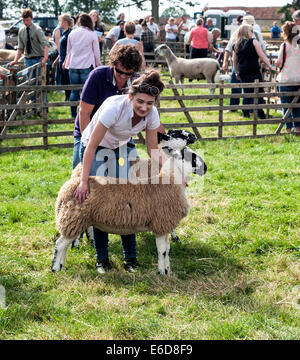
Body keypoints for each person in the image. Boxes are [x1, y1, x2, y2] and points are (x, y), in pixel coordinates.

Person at [74, 69, 167, 274]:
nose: (145, 107)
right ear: (130, 96)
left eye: (150, 103)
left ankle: (131, 258)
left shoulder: (151, 114)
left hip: (120, 147)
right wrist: (83, 181)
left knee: (127, 201)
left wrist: (173, 171)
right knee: (100, 201)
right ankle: (102, 259)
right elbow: (90, 146)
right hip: (95, 147)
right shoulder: (114, 108)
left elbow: (153, 148)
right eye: (140, 101)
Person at [232, 24, 274, 119]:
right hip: (253, 69)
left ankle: (245, 113)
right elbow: (262, 55)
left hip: (243, 70)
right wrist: (270, 66)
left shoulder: (236, 44)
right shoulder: (254, 41)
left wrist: (236, 72)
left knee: (247, 92)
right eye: (251, 31)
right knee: (259, 92)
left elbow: (234, 60)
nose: (252, 33)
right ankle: (260, 113)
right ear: (247, 32)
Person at [64, 13, 101, 118]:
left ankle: (73, 114)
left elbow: (69, 51)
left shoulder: (72, 33)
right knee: (87, 91)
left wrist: (66, 63)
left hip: (73, 65)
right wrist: (98, 64)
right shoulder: (92, 34)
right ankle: (86, 114)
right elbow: (96, 52)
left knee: (74, 91)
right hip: (86, 65)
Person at [275, 21, 300, 133]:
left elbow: (279, 62)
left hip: (285, 79)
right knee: (297, 106)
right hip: (298, 79)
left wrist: (275, 63)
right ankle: (298, 128)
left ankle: (288, 130)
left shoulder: (284, 46)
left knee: (286, 105)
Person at [52, 14, 73, 101]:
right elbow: (62, 50)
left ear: (64, 22)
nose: (59, 23)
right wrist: (57, 60)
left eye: (60, 21)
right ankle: (67, 97)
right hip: (62, 60)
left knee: (68, 81)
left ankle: (68, 98)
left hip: (66, 61)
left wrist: (65, 61)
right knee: (64, 80)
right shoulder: (64, 33)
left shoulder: (69, 34)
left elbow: (69, 50)